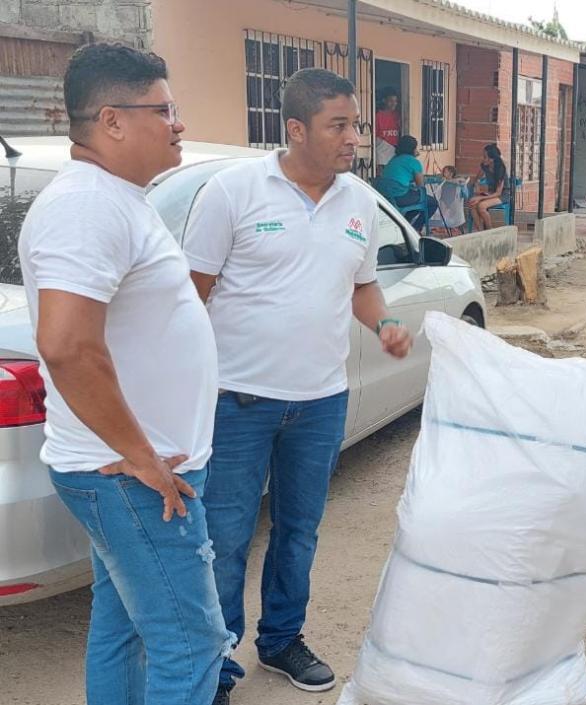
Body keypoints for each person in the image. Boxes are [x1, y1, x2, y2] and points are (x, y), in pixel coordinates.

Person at [182, 68, 414, 704]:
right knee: (225, 539)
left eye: (356, 125)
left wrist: (386, 320)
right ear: (295, 129)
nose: (353, 139)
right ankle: (218, 665)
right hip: (236, 401)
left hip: (319, 402)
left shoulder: (359, 201)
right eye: (339, 125)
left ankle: (282, 640)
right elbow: (188, 299)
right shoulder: (232, 193)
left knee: (298, 530)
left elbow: (361, 285)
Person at [18, 43, 232, 705]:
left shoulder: (117, 198)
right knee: (191, 644)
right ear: (111, 120)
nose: (179, 124)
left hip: (135, 470)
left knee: (124, 629)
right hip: (135, 476)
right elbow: (66, 346)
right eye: (164, 110)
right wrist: (141, 455)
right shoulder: (87, 207)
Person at [379, 135, 438, 226]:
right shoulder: (414, 162)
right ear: (413, 149)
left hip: (387, 196)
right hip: (400, 196)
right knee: (432, 202)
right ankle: (416, 228)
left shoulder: (393, 159)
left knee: (415, 201)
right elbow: (420, 185)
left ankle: (405, 226)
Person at [466, 143, 508, 231]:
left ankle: (489, 231)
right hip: (491, 193)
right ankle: (481, 230)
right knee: (472, 203)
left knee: (481, 206)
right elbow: (477, 178)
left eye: (485, 157)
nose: (483, 159)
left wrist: (480, 198)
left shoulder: (500, 169)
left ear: (492, 159)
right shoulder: (485, 166)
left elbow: (498, 193)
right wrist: (476, 184)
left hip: (502, 195)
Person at [374, 88, 400, 174]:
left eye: (395, 101)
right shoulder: (378, 116)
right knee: (381, 173)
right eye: (391, 101)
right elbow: (375, 135)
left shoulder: (398, 115)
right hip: (382, 147)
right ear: (384, 100)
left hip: (395, 149)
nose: (394, 104)